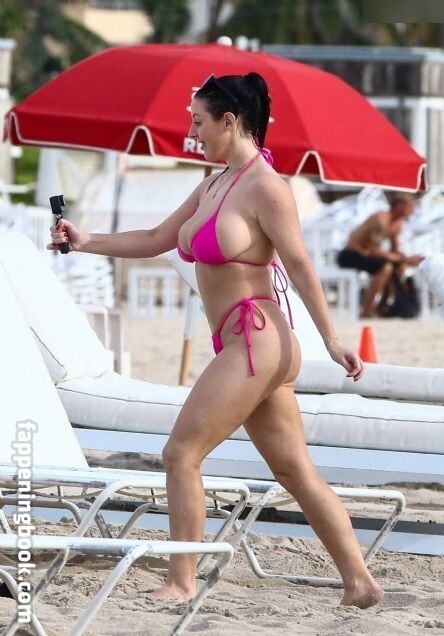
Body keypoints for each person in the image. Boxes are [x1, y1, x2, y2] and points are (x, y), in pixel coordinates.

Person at [48, 72, 383, 609]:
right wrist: (86, 241)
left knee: (180, 453)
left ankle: (182, 581)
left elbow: (299, 264)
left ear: (229, 121)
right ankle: (360, 583)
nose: (192, 133)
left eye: (198, 122)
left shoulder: (266, 187)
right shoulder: (213, 184)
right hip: (246, 345)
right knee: (294, 470)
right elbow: (156, 238)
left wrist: (333, 339)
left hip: (257, 340)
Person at [337, 193, 424, 317]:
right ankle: (367, 310)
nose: (413, 211)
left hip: (367, 255)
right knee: (386, 267)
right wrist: (404, 259)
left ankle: (382, 307)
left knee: (398, 266)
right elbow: (373, 250)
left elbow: (395, 251)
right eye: (410, 206)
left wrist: (405, 260)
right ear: (399, 206)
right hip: (350, 254)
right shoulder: (381, 219)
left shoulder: (397, 224)